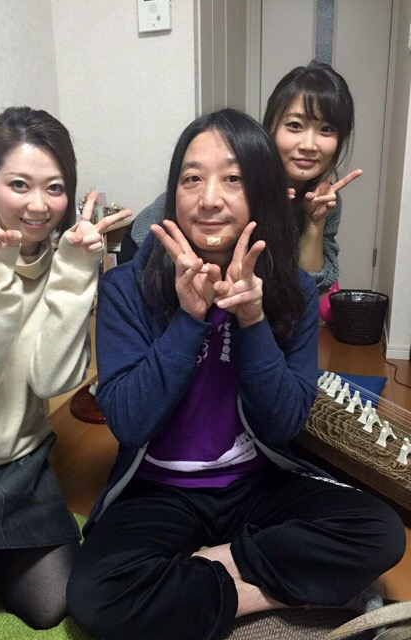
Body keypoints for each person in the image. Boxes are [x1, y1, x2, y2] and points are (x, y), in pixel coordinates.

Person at [67, 108, 404, 640]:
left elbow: (282, 423)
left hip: (255, 481)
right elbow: (129, 423)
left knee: (380, 532)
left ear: (262, 192)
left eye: (233, 179)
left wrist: (252, 321)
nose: (208, 198)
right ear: (174, 193)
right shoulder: (125, 288)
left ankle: (205, 571)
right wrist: (188, 319)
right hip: (157, 488)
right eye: (192, 178)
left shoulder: (292, 289)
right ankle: (289, 588)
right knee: (95, 596)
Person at [0, 106, 130, 628]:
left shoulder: (64, 258)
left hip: (22, 463)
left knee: (52, 604)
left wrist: (76, 273)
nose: (39, 205)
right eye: (19, 184)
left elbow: (52, 380)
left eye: (55, 187)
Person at [120, 61, 361, 294]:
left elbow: (308, 291)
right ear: (270, 126)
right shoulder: (235, 180)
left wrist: (315, 221)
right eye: (295, 125)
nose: (308, 145)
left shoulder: (325, 201)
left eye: (326, 129)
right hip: (147, 248)